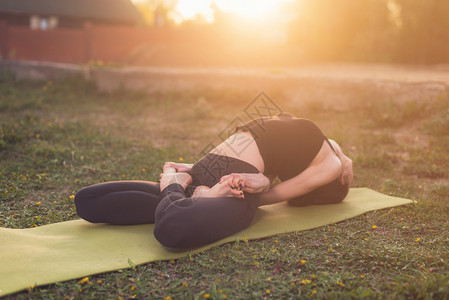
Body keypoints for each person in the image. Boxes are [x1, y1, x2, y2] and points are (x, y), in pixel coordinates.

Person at [75, 113, 353, 249]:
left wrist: (221, 187)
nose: (348, 172)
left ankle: (179, 189)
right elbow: (272, 194)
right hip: (226, 175)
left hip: (213, 166)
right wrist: (233, 190)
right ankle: (179, 192)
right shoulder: (328, 159)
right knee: (170, 226)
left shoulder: (311, 136)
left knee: (89, 201)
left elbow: (269, 191)